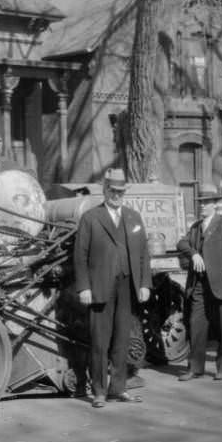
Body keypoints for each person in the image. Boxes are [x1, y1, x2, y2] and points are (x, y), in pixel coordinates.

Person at [73, 169, 152, 408]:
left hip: (127, 286)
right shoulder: (90, 218)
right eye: (113, 191)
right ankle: (99, 391)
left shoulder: (133, 217)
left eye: (120, 192)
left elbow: (144, 254)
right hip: (99, 287)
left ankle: (117, 388)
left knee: (121, 339)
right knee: (100, 341)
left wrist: (145, 283)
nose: (117, 195)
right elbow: (80, 256)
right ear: (105, 191)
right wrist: (84, 288)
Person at [176, 183, 222, 381]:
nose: (202, 207)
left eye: (206, 203)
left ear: (215, 205)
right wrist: (193, 254)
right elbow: (181, 243)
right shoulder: (195, 227)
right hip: (199, 285)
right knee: (196, 326)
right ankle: (195, 368)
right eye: (200, 203)